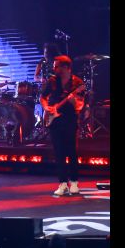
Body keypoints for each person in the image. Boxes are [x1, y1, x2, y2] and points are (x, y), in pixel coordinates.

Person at [40, 55, 85, 195]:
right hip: (55, 120)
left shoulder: (77, 83)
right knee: (58, 152)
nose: (54, 68)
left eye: (57, 66)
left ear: (65, 67)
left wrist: (73, 100)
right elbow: (42, 97)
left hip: (70, 119)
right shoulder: (52, 81)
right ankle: (63, 183)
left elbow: (80, 104)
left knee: (71, 151)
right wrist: (47, 108)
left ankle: (75, 182)